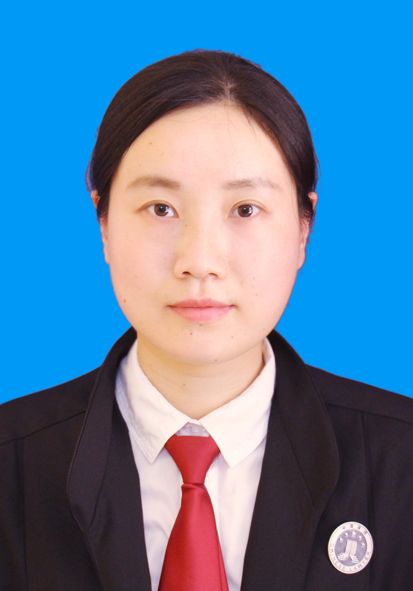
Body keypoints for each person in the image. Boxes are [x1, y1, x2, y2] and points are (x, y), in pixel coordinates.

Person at [1, 49, 412, 591]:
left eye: (245, 209)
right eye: (161, 209)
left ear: (303, 228)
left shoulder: (402, 463)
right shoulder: (10, 461)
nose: (199, 260)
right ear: (103, 223)